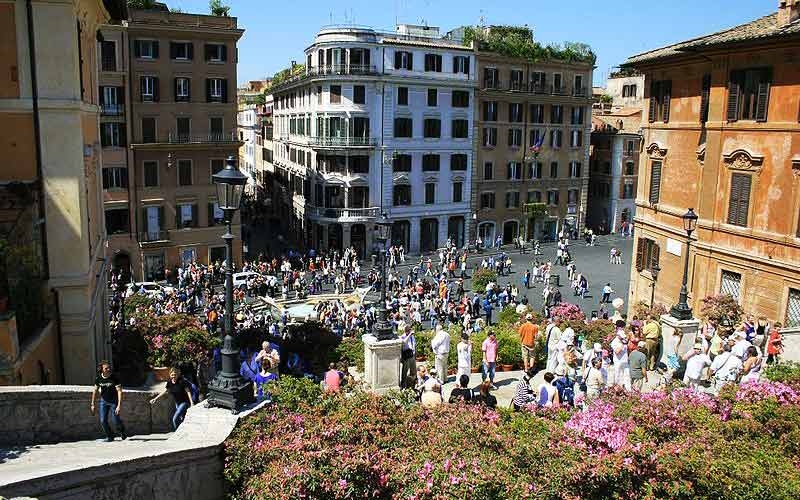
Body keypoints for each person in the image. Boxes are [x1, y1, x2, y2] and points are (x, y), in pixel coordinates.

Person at [90, 361, 127, 442]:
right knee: (103, 421)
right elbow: (95, 390)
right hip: (104, 401)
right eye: (106, 368)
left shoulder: (115, 378)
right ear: (102, 370)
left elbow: (119, 391)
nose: (109, 369)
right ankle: (110, 436)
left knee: (115, 420)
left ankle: (122, 430)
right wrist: (92, 404)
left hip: (114, 401)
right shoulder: (98, 378)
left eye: (109, 367)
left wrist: (119, 405)